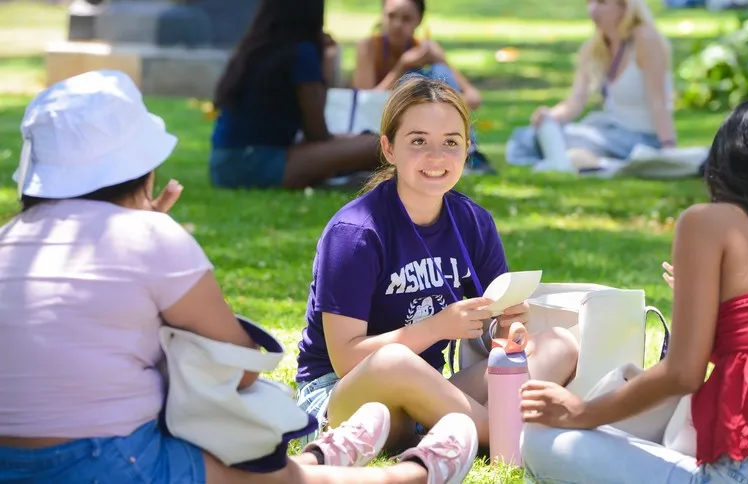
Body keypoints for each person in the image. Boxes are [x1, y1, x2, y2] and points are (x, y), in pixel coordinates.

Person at [0, 69, 479, 484]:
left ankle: (326, 452)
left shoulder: (8, 240)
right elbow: (240, 368)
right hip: (116, 459)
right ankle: (415, 473)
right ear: (141, 170)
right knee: (269, 476)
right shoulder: (150, 238)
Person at [518, 98, 748, 483]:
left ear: (723, 163)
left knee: (541, 440)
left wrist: (579, 412)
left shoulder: (710, 223)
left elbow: (683, 374)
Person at [294, 75, 580, 452]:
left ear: (467, 149)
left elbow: (492, 338)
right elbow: (347, 360)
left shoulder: (474, 222)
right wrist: (437, 327)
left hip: (428, 392)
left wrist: (505, 323)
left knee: (559, 345)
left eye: (450, 143)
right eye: (418, 142)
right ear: (389, 148)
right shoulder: (356, 231)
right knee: (393, 362)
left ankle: (456, 430)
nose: (436, 157)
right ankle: (504, 435)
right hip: (340, 398)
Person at [208, 0, 381, 190]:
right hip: (256, 163)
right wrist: (324, 68)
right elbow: (316, 133)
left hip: (224, 164)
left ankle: (339, 176)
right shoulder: (302, 53)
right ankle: (342, 177)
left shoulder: (256, 46)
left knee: (359, 141)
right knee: (378, 145)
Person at [509, 0, 677, 171]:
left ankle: (565, 162)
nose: (593, 9)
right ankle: (571, 161)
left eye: (602, 2)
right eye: (589, 2)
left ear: (624, 7)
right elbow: (575, 102)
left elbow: (659, 101)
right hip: (610, 129)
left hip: (642, 139)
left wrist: (668, 148)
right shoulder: (595, 48)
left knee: (557, 139)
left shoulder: (645, 38)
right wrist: (549, 116)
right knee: (526, 136)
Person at [351, 0, 495, 175]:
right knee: (411, 81)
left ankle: (468, 154)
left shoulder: (426, 49)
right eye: (391, 16)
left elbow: (473, 98)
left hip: (426, 117)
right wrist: (402, 67)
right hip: (383, 124)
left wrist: (437, 100)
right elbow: (365, 102)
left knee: (439, 71)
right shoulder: (369, 48)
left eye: (406, 19)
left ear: (418, 21)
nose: (397, 24)